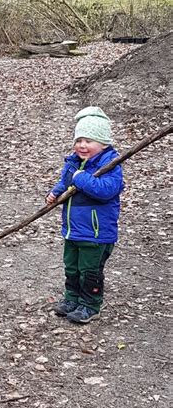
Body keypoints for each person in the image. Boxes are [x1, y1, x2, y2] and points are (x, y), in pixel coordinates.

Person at [46, 106, 124, 324]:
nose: (82, 145)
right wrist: (55, 192)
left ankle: (90, 305)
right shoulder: (74, 162)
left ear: (104, 143)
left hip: (96, 232)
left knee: (89, 270)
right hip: (73, 228)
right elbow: (66, 181)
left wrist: (81, 178)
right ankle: (72, 298)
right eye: (79, 140)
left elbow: (105, 190)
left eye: (89, 140)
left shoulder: (111, 166)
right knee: (72, 266)